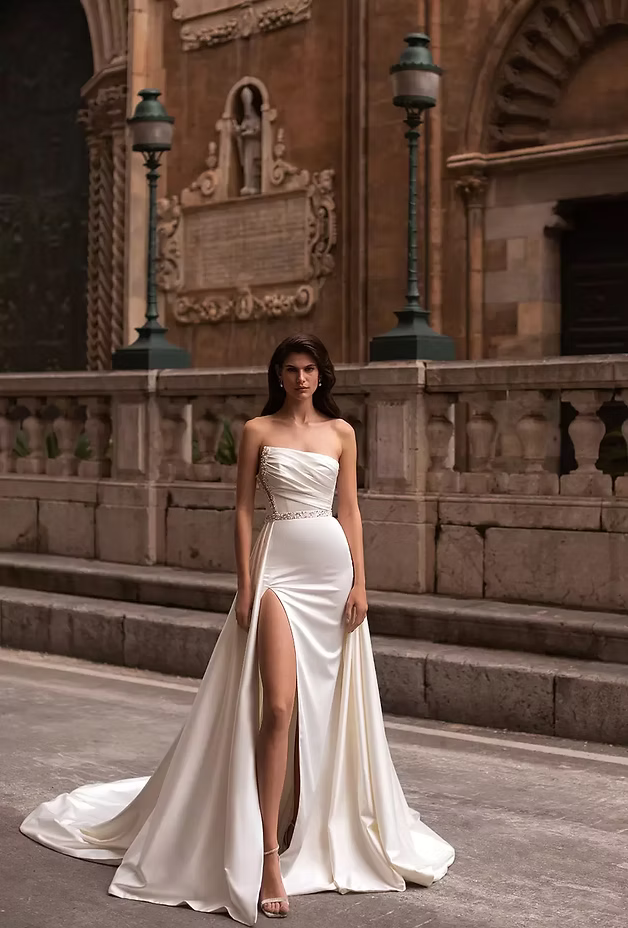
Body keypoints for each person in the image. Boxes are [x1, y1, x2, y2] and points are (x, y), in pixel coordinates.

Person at [20, 334, 454, 924]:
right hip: (277, 572)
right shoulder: (257, 430)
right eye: (291, 369)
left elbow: (349, 509)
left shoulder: (342, 433)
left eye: (309, 369)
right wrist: (247, 585)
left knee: (320, 710)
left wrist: (361, 582)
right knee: (278, 706)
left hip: (331, 572)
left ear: (322, 375)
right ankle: (268, 855)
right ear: (278, 375)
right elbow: (245, 510)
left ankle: (303, 822)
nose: (301, 378)